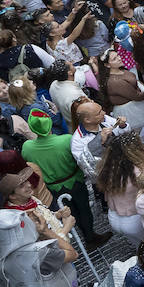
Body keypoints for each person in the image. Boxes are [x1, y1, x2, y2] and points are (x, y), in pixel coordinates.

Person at [23, 105, 110, 247]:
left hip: (53, 187)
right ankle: (90, 237)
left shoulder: (27, 147)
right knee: (84, 210)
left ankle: (83, 235)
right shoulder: (66, 139)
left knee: (70, 212)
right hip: (75, 182)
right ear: (50, 123)